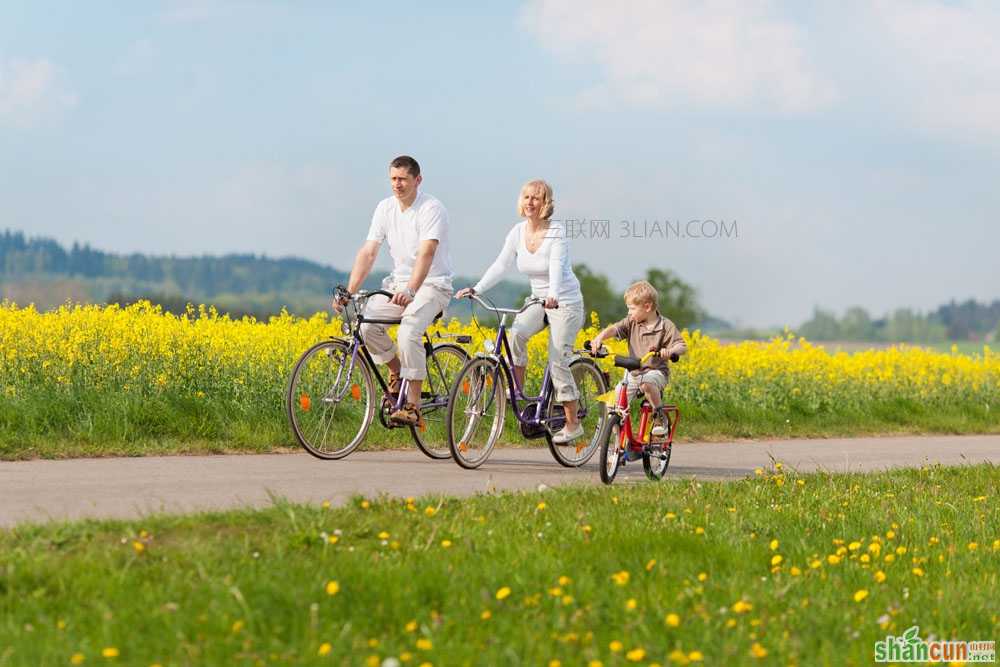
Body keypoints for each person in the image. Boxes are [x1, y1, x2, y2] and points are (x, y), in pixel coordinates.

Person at [454, 179, 585, 444]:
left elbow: (557, 268)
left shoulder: (556, 232)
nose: (530, 202)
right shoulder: (517, 232)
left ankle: (573, 424)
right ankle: (518, 392)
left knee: (558, 359)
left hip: (565, 301)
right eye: (526, 197)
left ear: (546, 203)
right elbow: (502, 265)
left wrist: (554, 295)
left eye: (536, 198)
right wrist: (477, 289)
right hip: (538, 299)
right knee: (516, 334)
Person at [333, 155, 453, 426]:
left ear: (417, 180)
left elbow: (427, 252)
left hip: (432, 285)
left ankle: (413, 405)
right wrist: (349, 291)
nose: (397, 185)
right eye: (393, 179)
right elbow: (369, 252)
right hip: (398, 284)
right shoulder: (385, 208)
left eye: (403, 179)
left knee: (409, 331)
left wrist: (412, 289)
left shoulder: (431, 208)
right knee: (366, 327)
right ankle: (397, 373)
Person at [588, 280, 687, 436]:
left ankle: (660, 417)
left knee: (647, 384)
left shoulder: (665, 326)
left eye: (632, 308)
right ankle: (617, 440)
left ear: (647, 307)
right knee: (613, 402)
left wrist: (670, 351)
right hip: (633, 373)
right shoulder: (631, 322)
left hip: (656, 373)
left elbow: (681, 345)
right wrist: (600, 338)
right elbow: (615, 329)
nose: (629, 312)